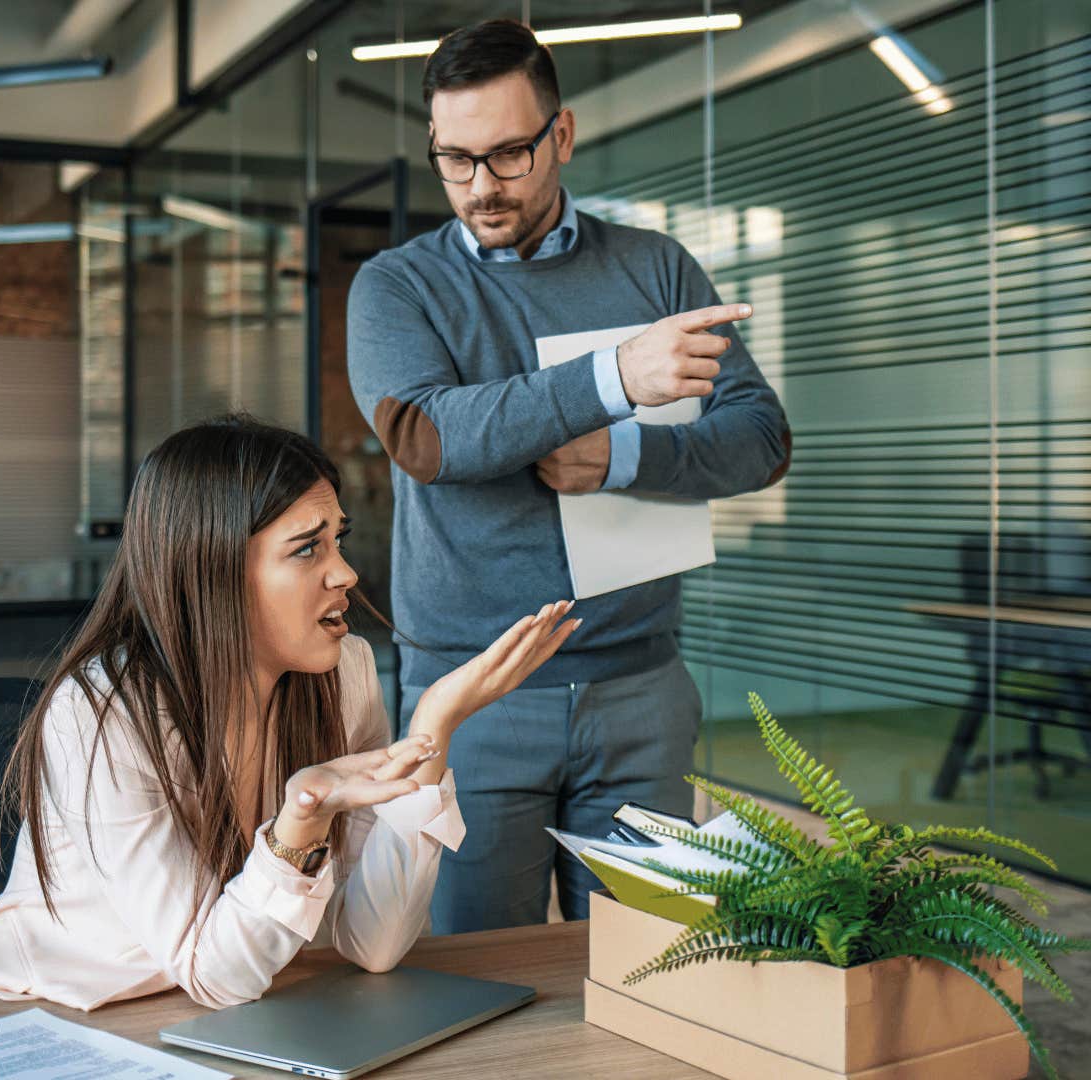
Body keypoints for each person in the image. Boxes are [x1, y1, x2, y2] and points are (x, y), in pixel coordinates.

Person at [346, 19, 792, 932]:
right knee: (479, 979)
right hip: (471, 694)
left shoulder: (654, 267)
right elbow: (426, 433)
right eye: (454, 159)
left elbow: (759, 438)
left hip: (640, 688)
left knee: (654, 971)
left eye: (508, 154)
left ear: (563, 135)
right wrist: (616, 380)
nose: (481, 187)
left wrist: (626, 455)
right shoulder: (397, 287)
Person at [0, 416, 577, 1010]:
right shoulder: (102, 713)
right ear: (214, 572)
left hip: (221, 1013)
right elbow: (215, 973)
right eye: (307, 550)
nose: (346, 574)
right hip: (47, 1012)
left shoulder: (344, 674)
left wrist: (432, 731)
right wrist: (303, 815)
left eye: (338, 542)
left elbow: (374, 946)